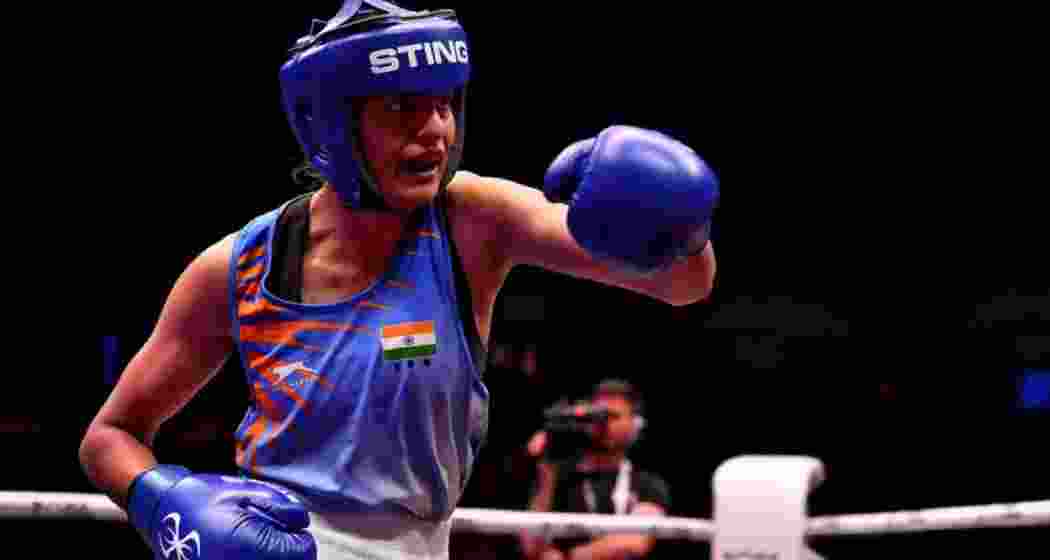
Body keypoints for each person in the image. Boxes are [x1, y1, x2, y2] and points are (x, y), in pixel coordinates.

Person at [78, 1, 718, 559]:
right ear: (332, 122)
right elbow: (110, 437)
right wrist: (165, 506)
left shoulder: (474, 219)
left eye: (444, 104)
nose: (437, 131)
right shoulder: (240, 266)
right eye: (404, 107)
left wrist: (682, 224)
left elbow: (684, 285)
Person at [519, 380, 670, 560]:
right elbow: (531, 547)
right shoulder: (558, 478)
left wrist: (569, 557)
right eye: (597, 415)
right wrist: (547, 470)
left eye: (613, 416)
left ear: (635, 424)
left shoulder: (648, 484)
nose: (604, 424)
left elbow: (635, 541)